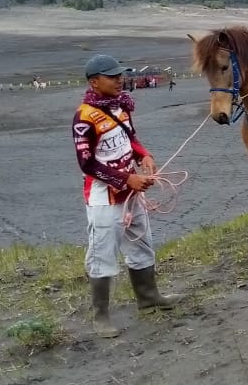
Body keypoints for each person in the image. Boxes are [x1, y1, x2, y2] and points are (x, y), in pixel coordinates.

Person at [73, 54, 175, 338]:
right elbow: (87, 164)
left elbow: (131, 139)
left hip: (132, 191)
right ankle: (101, 316)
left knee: (141, 242)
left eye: (121, 75)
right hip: (103, 198)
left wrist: (146, 156)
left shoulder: (120, 109)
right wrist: (126, 177)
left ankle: (148, 297)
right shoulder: (83, 119)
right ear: (95, 82)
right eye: (112, 76)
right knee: (102, 253)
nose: (120, 80)